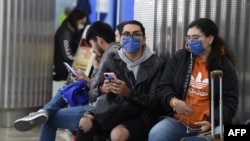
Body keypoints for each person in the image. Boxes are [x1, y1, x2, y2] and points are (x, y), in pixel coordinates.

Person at [13, 21, 120, 141]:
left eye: (91, 45)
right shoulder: (114, 54)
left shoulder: (110, 56)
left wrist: (95, 68)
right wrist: (86, 77)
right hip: (99, 106)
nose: (92, 50)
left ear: (99, 40)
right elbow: (102, 87)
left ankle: (44, 111)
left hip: (98, 110)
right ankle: (44, 111)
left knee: (49, 119)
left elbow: (99, 92)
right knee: (65, 91)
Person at [148, 18, 239, 141]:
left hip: (212, 125)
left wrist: (212, 122)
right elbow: (163, 86)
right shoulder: (180, 58)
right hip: (179, 121)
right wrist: (174, 102)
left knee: (221, 135)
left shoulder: (224, 65)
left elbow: (230, 101)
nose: (190, 42)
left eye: (195, 37)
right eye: (188, 38)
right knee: (156, 134)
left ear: (210, 39)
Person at [76, 20, 165, 141]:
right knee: (84, 123)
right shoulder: (111, 58)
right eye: (127, 34)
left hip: (139, 114)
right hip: (111, 110)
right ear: (121, 39)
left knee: (118, 134)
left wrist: (128, 93)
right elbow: (92, 95)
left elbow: (155, 103)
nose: (131, 38)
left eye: (136, 34)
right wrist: (102, 88)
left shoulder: (156, 64)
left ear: (144, 39)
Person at [53, 8, 87, 81]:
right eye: (82, 23)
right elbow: (68, 55)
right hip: (63, 68)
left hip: (66, 64)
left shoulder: (71, 30)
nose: (82, 26)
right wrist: (80, 59)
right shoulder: (66, 34)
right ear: (76, 20)